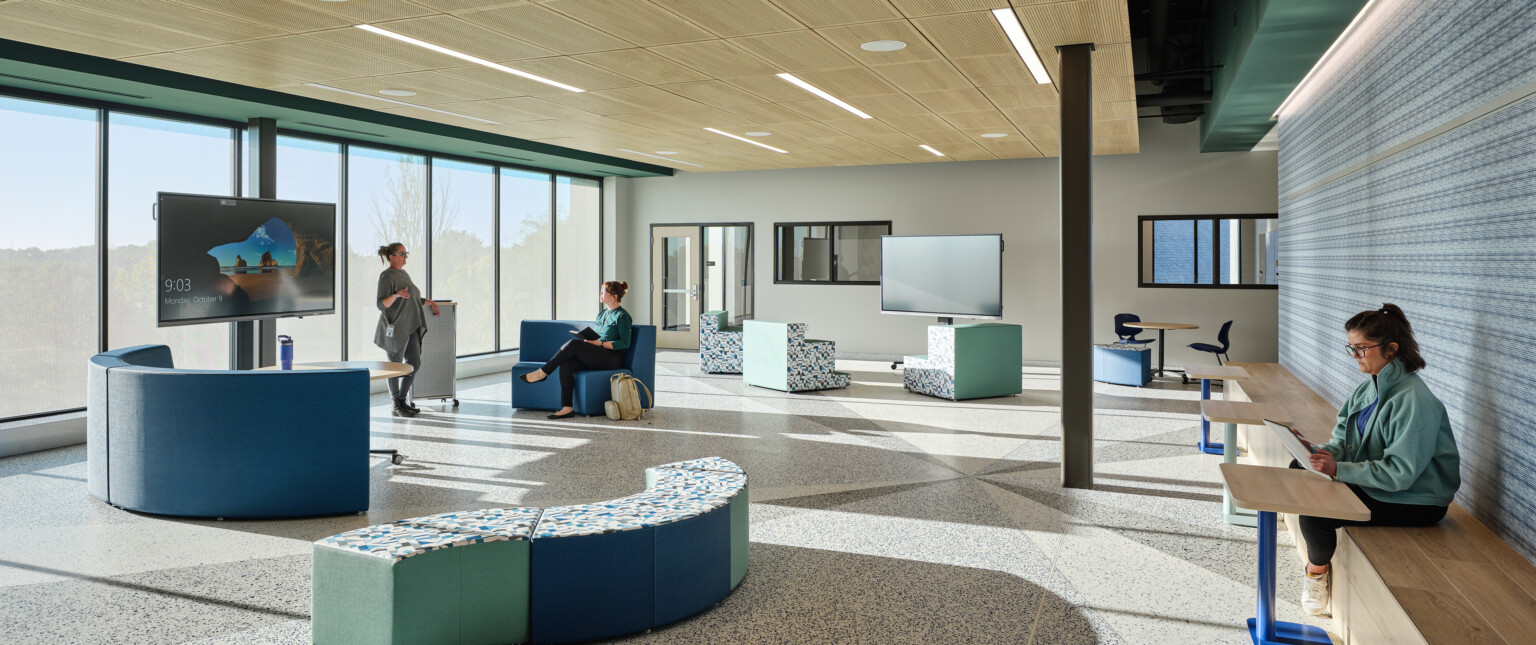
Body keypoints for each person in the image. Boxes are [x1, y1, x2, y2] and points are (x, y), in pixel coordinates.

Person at [1293, 303, 1460, 617]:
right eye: (1351, 349)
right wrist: (1320, 452)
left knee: (1315, 513)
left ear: (1390, 350)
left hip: (1418, 500)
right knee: (1299, 468)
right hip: (1386, 485)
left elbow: (1401, 474)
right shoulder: (1366, 390)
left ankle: (1316, 575)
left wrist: (1338, 469)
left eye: (1361, 349)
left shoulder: (1415, 401)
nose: (1355, 356)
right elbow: (1343, 439)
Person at [518, 281, 633, 419]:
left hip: (612, 358)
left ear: (614, 296)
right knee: (566, 363)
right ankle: (567, 407)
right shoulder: (602, 314)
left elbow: (624, 343)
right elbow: (597, 336)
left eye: (603, 292)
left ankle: (543, 372)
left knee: (573, 344)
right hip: (598, 354)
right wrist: (589, 341)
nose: (600, 294)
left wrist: (600, 344)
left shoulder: (622, 316)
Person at [374, 243, 439, 418]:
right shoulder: (387, 276)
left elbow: (412, 298)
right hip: (396, 328)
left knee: (414, 363)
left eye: (406, 253)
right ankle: (395, 403)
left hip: (411, 325)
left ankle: (402, 400)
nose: (405, 256)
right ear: (391, 256)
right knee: (395, 366)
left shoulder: (404, 274)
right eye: (402, 253)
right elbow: (381, 304)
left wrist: (430, 302)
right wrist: (395, 295)